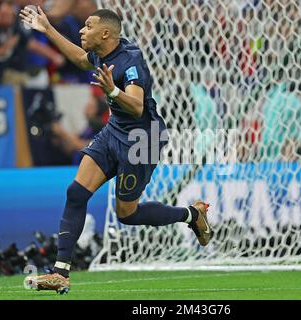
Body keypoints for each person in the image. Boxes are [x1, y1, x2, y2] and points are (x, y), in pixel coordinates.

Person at [20, 6, 213, 294]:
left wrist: (111, 91)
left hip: (142, 140)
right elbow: (79, 59)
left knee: (127, 214)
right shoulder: (102, 52)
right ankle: (61, 272)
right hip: (114, 133)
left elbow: (136, 105)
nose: (82, 30)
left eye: (88, 26)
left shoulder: (130, 60)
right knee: (76, 192)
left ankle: (191, 215)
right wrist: (47, 29)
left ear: (105, 33)